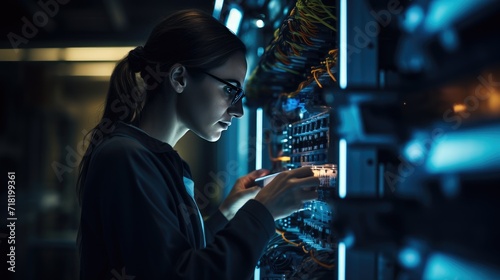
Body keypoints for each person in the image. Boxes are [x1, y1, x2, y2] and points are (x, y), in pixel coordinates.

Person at [77, 9, 318, 280]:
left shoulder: (157, 159)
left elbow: (177, 258)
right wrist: (262, 212)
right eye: (230, 89)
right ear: (179, 77)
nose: (238, 110)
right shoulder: (124, 157)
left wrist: (228, 212)